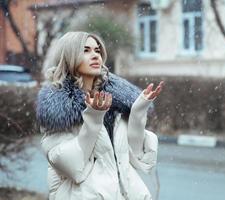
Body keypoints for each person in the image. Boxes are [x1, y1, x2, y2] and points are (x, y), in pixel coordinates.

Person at [36, 31, 164, 200]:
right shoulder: (58, 107)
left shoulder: (115, 101)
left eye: (97, 50)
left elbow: (136, 153)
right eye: (86, 50)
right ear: (69, 56)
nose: (95, 55)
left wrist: (138, 110)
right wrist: (94, 117)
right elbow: (72, 165)